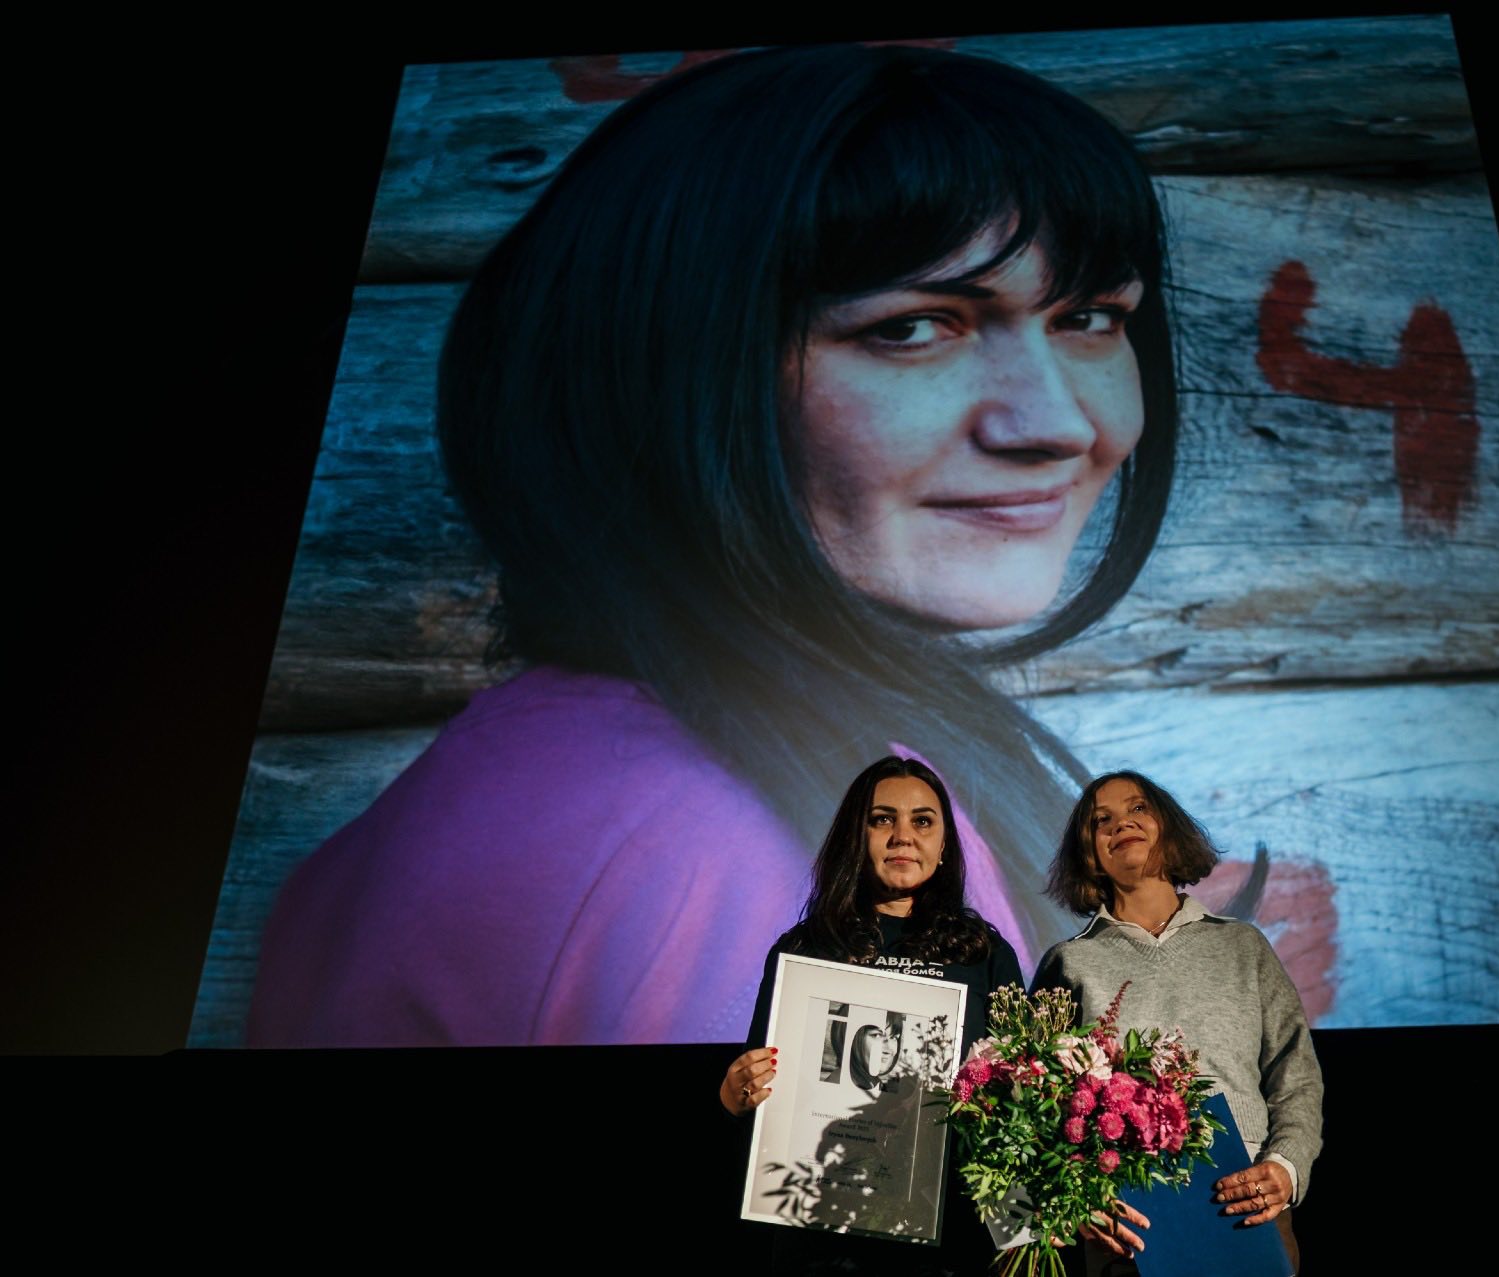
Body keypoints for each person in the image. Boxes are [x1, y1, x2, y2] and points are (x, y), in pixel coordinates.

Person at [246, 43, 1178, 1047]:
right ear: (662, 374)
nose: (1055, 424)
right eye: (911, 328)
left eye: (1090, 317)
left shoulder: (498, 781)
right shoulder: (780, 860)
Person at [722, 755, 1023, 1274]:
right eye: (883, 819)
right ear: (855, 837)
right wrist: (734, 1097)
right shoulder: (806, 949)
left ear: (944, 845)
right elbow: (757, 1091)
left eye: (922, 821)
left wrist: (1022, 1231)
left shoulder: (984, 954)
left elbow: (1024, 1108)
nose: (903, 835)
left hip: (950, 1242)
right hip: (823, 1239)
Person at [1033, 772, 1324, 1274]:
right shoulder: (1069, 963)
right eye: (1101, 820)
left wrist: (1286, 1167)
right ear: (1088, 854)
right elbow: (1036, 1104)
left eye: (1138, 808)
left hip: (1246, 1204)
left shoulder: (1243, 947)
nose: (1121, 823)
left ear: (1168, 827)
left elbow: (1295, 1075)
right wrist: (1079, 1199)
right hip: (1128, 1219)